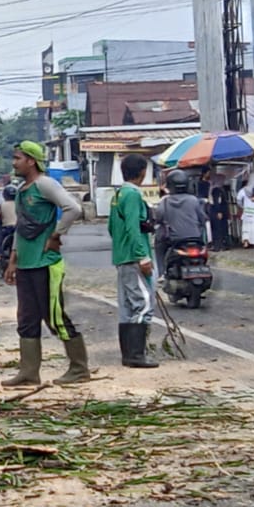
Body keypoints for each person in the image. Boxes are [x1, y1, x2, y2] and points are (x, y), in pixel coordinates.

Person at [2, 141, 91, 387]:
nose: (14, 162)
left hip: (45, 264)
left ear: (31, 161)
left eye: (18, 157)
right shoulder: (22, 189)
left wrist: (56, 235)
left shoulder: (45, 184)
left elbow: (73, 208)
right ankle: (29, 371)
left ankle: (79, 368)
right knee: (27, 319)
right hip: (26, 265)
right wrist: (13, 261)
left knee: (55, 317)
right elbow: (21, 228)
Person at [109, 155, 157, 369]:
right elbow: (132, 227)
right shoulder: (132, 195)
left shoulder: (118, 195)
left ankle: (128, 354)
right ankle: (136, 354)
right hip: (134, 257)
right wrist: (142, 255)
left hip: (121, 256)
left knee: (127, 306)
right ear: (142, 172)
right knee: (144, 303)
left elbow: (112, 227)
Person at [208, 184, 231, 250]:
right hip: (221, 212)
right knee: (222, 229)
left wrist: (219, 211)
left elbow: (216, 201)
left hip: (216, 212)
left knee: (217, 229)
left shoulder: (216, 190)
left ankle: (218, 246)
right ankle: (224, 244)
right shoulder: (221, 190)